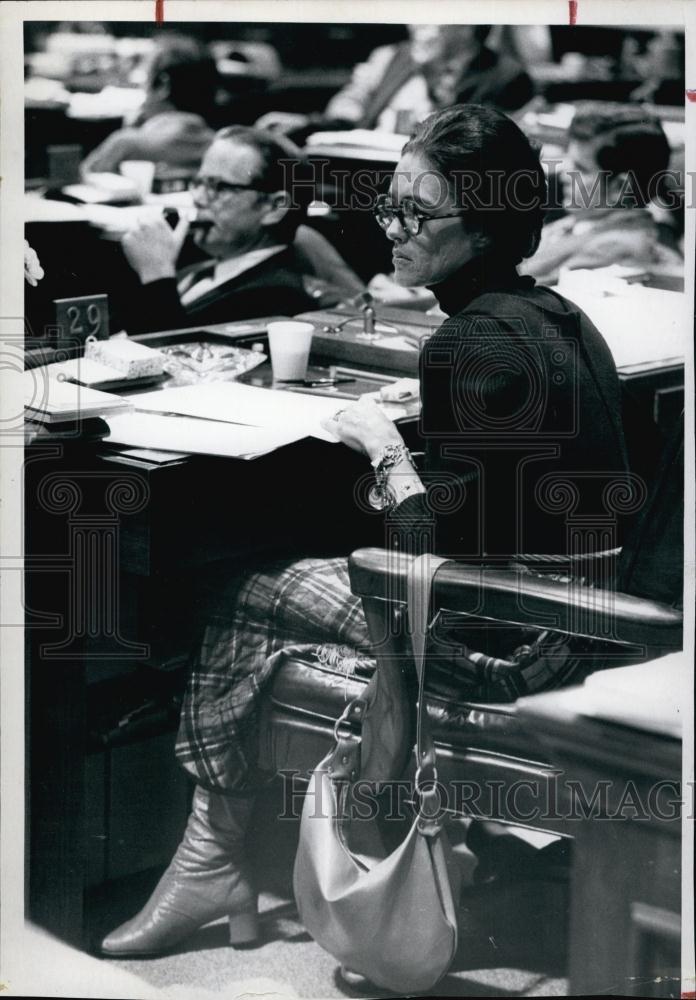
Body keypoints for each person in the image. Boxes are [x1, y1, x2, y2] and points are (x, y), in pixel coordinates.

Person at [100, 104, 629, 958]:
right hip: (582, 622)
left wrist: (384, 443)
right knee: (272, 577)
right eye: (391, 208)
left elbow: (427, 553)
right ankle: (218, 865)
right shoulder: (560, 318)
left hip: (507, 639)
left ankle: (210, 861)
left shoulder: (465, 343)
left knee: (233, 587)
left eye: (418, 215)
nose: (394, 229)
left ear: (485, 223)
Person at [120, 126, 327, 332]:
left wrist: (156, 275)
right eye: (198, 182)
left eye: (218, 187)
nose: (198, 198)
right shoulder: (198, 266)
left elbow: (173, 358)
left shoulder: (276, 298)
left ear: (274, 207)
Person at [256, 25, 532, 139]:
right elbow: (350, 106)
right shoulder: (389, 55)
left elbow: (473, 147)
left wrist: (435, 79)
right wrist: (306, 123)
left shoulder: (506, 76)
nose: (415, 24)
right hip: (362, 167)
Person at [521, 102, 683, 285]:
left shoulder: (616, 247)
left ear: (619, 187)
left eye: (581, 168)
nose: (564, 172)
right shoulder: (585, 221)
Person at [80, 35, 219, 177]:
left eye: (145, 77)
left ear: (163, 86)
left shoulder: (126, 144)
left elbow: (82, 177)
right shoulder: (220, 147)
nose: (141, 86)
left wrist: (130, 130)